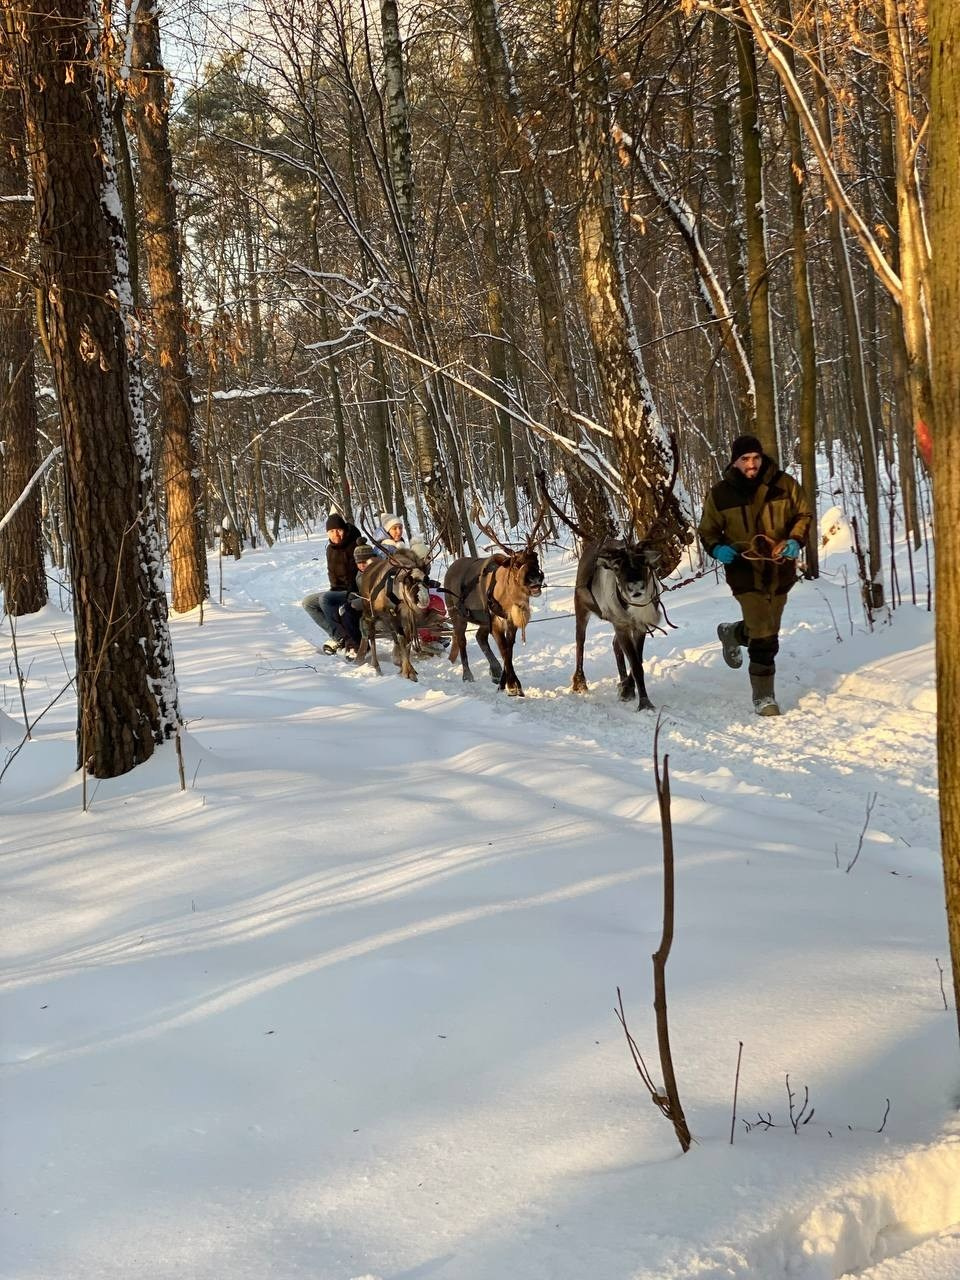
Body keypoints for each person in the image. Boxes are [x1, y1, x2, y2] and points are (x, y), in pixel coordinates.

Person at [699, 434, 813, 717]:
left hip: (780, 568)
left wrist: (796, 541)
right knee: (764, 633)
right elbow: (708, 531)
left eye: (756, 458)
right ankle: (764, 697)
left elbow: (804, 514)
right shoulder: (720, 494)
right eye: (745, 459)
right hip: (743, 569)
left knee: (767, 626)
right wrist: (717, 549)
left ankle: (733, 632)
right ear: (735, 462)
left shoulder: (784, 485)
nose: (751, 464)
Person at [301, 512, 362, 655]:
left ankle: (348, 640)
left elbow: (360, 573)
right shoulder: (330, 549)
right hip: (337, 590)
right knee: (308, 602)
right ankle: (338, 637)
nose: (336, 535)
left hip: (354, 591)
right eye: (331, 531)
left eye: (338, 530)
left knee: (325, 599)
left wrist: (347, 593)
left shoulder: (354, 546)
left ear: (345, 530)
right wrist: (333, 591)